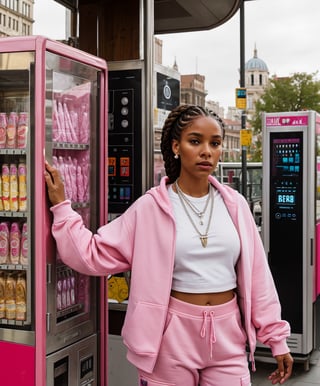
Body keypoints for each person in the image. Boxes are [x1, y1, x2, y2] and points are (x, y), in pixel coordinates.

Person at [45, 104, 293, 386]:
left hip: (228, 338)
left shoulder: (235, 205)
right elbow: (92, 254)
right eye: (195, 141)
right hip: (169, 338)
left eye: (215, 143)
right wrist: (62, 208)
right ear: (176, 146)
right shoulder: (150, 207)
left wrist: (277, 339)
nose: (206, 152)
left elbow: (259, 277)